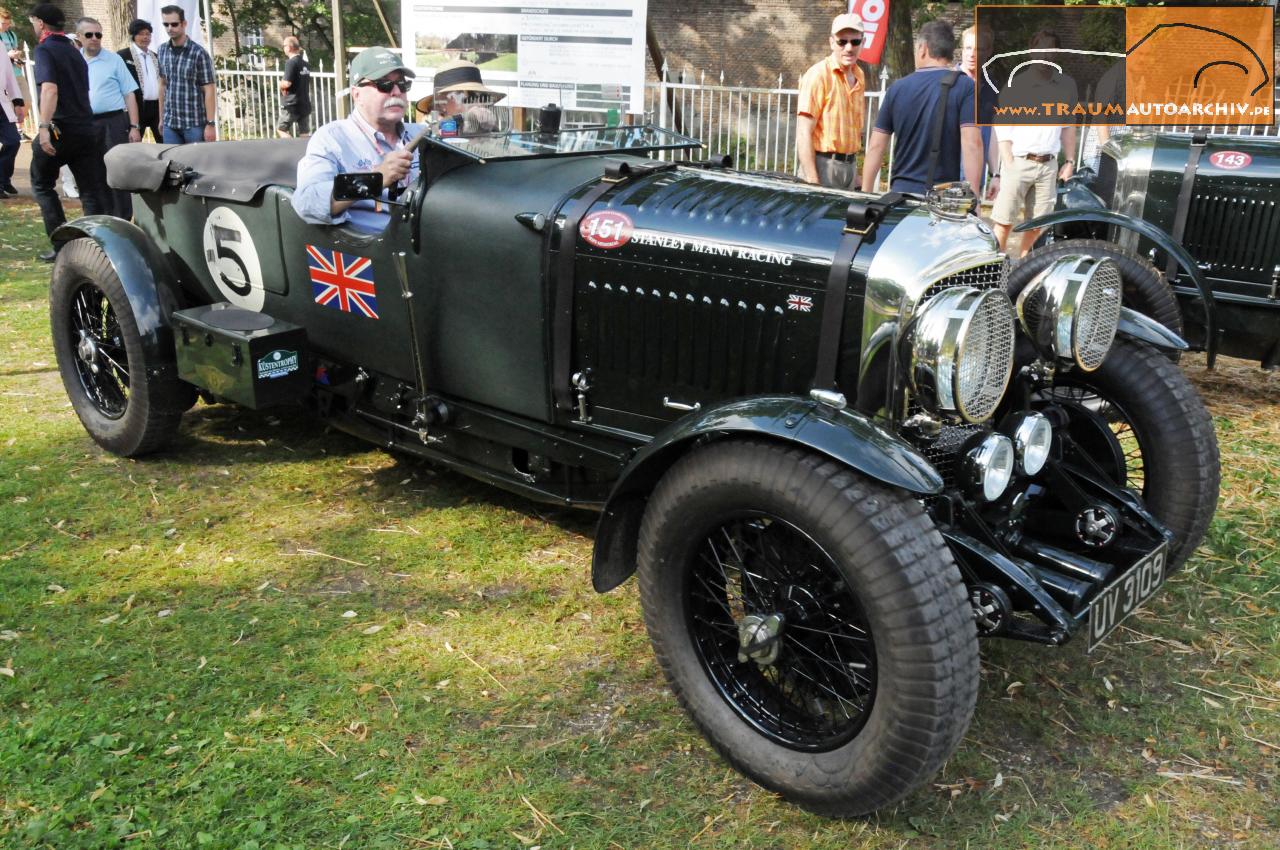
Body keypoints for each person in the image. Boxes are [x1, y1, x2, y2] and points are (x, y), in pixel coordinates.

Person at [294, 46, 421, 234]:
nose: (396, 91)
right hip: (376, 250)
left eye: (402, 84)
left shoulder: (421, 133)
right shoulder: (332, 139)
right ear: (357, 94)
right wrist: (373, 180)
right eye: (384, 84)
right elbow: (307, 202)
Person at [27, 2, 109, 261]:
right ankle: (96, 245)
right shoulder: (75, 51)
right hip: (85, 128)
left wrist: (43, 128)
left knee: (42, 185)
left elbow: (50, 89)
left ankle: (62, 245)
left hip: (60, 129)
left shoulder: (45, 50)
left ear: (40, 23)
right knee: (90, 189)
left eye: (33, 23)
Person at [861, 21, 982, 195]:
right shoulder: (965, 86)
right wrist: (974, 196)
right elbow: (972, 144)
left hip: (899, 194)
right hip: (941, 196)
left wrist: (865, 193)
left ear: (923, 49)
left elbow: (876, 147)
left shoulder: (897, 88)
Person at [990, 30, 1077, 256]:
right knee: (1003, 222)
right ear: (1031, 52)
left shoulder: (1066, 87)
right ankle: (994, 273)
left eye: (1050, 51)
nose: (1045, 56)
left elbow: (1068, 127)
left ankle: (1026, 271)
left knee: (1039, 226)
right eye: (1041, 51)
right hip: (1019, 162)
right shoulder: (1016, 86)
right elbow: (1003, 128)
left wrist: (1069, 161)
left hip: (1048, 166)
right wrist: (1009, 162)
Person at [77, 16, 139, 219]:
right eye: (89, 34)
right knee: (91, 172)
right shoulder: (74, 60)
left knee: (116, 170)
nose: (94, 38)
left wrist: (134, 126)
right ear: (79, 37)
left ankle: (121, 217)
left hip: (113, 122)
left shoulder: (114, 59)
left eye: (98, 34)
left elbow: (129, 93)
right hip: (86, 124)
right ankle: (97, 217)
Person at [795, 13, 866, 190]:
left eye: (855, 42)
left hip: (848, 167)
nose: (849, 48)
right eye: (842, 42)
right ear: (831, 42)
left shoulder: (860, 76)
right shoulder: (818, 75)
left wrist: (854, 173)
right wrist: (812, 180)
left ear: (862, 42)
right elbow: (803, 132)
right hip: (822, 166)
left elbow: (851, 130)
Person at [156, 4, 214, 143]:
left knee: (195, 164)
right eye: (166, 24)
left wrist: (210, 124)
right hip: (170, 124)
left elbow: (209, 89)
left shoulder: (199, 53)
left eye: (174, 24)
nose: (170, 28)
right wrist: (161, 118)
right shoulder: (162, 50)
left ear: (184, 24)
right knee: (172, 164)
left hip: (193, 124)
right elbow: (162, 85)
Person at [959, 24, 1000, 200]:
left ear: (989, 51)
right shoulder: (947, 84)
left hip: (975, 178)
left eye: (979, 49)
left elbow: (992, 133)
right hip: (945, 178)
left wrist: (996, 174)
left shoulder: (992, 89)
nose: (972, 54)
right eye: (968, 48)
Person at [412, 58, 505, 135]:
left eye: (483, 97)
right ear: (442, 103)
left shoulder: (486, 127)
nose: (479, 104)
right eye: (469, 99)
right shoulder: (426, 132)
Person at [118, 18, 160, 142]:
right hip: (136, 106)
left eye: (147, 34)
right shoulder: (123, 56)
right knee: (134, 144)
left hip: (156, 107)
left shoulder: (155, 56)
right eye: (141, 34)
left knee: (163, 142)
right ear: (133, 36)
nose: (145, 37)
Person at [1, 6, 29, 139]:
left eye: (7, 23)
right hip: (4, 81)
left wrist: (16, 54)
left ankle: (19, 128)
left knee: (26, 101)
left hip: (15, 73)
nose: (6, 26)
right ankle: (18, 130)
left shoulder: (10, 35)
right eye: (3, 23)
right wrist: (8, 55)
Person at [275, 35, 310, 138]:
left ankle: (291, 151)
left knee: (281, 129)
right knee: (304, 133)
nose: (283, 48)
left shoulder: (291, 63)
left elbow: (287, 83)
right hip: (304, 103)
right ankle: (304, 152)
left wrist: (279, 83)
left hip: (292, 104)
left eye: (284, 46)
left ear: (289, 47)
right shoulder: (305, 64)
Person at [0, 28, 21, 195]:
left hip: (2, 103)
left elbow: (9, 76)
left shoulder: (0, 45)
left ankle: (3, 179)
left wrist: (17, 100)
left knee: (13, 141)